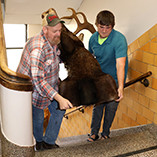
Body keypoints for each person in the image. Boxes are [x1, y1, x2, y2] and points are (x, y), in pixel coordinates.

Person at [16, 14, 73, 151]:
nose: (58, 34)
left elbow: (55, 58)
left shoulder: (53, 40)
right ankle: (39, 143)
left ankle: (48, 142)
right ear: (45, 30)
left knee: (59, 111)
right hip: (34, 91)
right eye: (55, 31)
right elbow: (39, 82)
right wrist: (59, 98)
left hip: (51, 84)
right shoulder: (38, 49)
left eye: (60, 30)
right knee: (38, 118)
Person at [87, 10, 128, 142]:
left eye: (107, 28)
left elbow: (120, 65)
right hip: (99, 79)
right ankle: (94, 133)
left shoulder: (119, 39)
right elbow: (90, 59)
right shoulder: (93, 39)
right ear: (96, 25)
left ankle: (105, 133)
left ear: (112, 26)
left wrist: (120, 87)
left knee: (111, 108)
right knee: (97, 106)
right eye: (101, 27)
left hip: (114, 80)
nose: (104, 31)